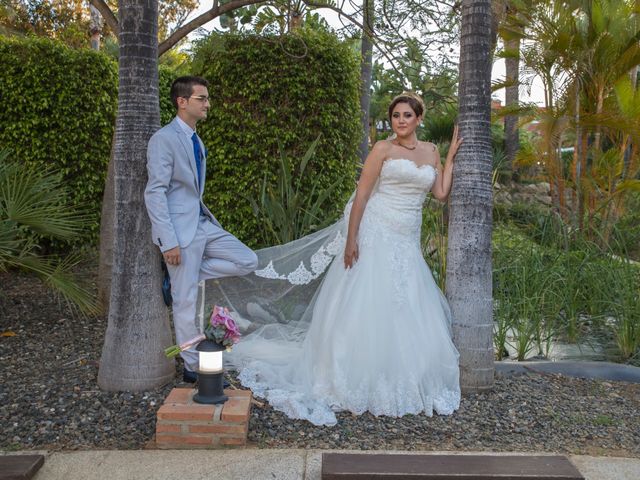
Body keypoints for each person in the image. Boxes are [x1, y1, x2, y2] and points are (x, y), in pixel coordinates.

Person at [211, 91, 463, 425]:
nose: (400, 121)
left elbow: (441, 194)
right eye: (395, 116)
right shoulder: (383, 150)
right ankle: (354, 375)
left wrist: (450, 160)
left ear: (419, 118)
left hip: (406, 238)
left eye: (406, 116)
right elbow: (361, 193)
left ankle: (396, 374)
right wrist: (352, 238)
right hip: (377, 230)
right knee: (369, 301)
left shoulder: (431, 151)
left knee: (405, 303)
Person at [144, 76, 258, 383]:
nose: (207, 104)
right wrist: (168, 242)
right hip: (179, 233)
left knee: (247, 260)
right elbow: (154, 192)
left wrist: (191, 269)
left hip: (203, 224)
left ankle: (185, 275)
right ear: (182, 102)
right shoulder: (164, 139)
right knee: (184, 302)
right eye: (201, 99)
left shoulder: (196, 139)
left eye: (207, 99)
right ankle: (193, 368)